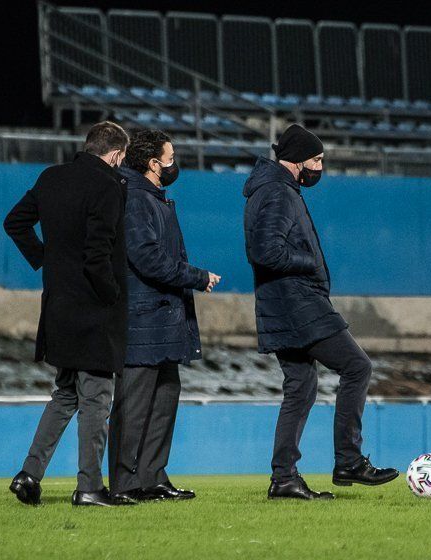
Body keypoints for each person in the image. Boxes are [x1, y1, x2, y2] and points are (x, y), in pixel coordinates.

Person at [242, 124, 399, 500]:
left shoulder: (273, 189)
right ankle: (348, 460)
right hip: (298, 304)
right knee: (357, 366)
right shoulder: (279, 193)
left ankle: (284, 479)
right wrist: (309, 261)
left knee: (300, 388)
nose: (320, 167)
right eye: (316, 159)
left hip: (283, 305)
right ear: (296, 161)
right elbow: (265, 252)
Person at [4, 121, 132, 507]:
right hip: (93, 309)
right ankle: (90, 487)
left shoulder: (51, 178)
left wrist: (47, 260)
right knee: (95, 398)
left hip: (58, 306)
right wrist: (111, 295)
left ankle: (29, 473)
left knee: (64, 394)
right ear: (114, 154)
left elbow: (15, 223)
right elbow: (97, 255)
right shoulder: (108, 185)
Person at [107, 130, 221, 503]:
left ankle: (152, 477)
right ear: (154, 163)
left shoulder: (152, 198)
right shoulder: (137, 198)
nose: (175, 163)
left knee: (166, 396)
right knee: (134, 405)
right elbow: (147, 258)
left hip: (162, 320)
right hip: (143, 321)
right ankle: (125, 484)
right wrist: (196, 276)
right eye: (171, 156)